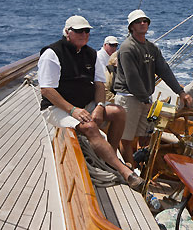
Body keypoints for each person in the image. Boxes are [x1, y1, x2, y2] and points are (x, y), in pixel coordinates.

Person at [37, 15, 145, 192]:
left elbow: (100, 84)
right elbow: (47, 90)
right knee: (90, 128)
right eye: (79, 31)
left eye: (87, 30)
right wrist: (73, 110)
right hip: (57, 108)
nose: (84, 34)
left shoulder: (91, 54)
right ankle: (125, 172)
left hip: (84, 105)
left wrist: (100, 106)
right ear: (67, 32)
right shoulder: (52, 54)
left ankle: (108, 154)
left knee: (119, 112)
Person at [114, 9, 193, 167]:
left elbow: (164, 70)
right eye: (138, 21)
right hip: (129, 98)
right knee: (127, 139)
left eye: (145, 21)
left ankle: (139, 167)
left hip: (145, 99)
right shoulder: (127, 48)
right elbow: (132, 79)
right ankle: (131, 172)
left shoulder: (151, 48)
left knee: (143, 136)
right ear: (131, 27)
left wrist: (181, 91)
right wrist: (146, 101)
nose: (143, 23)